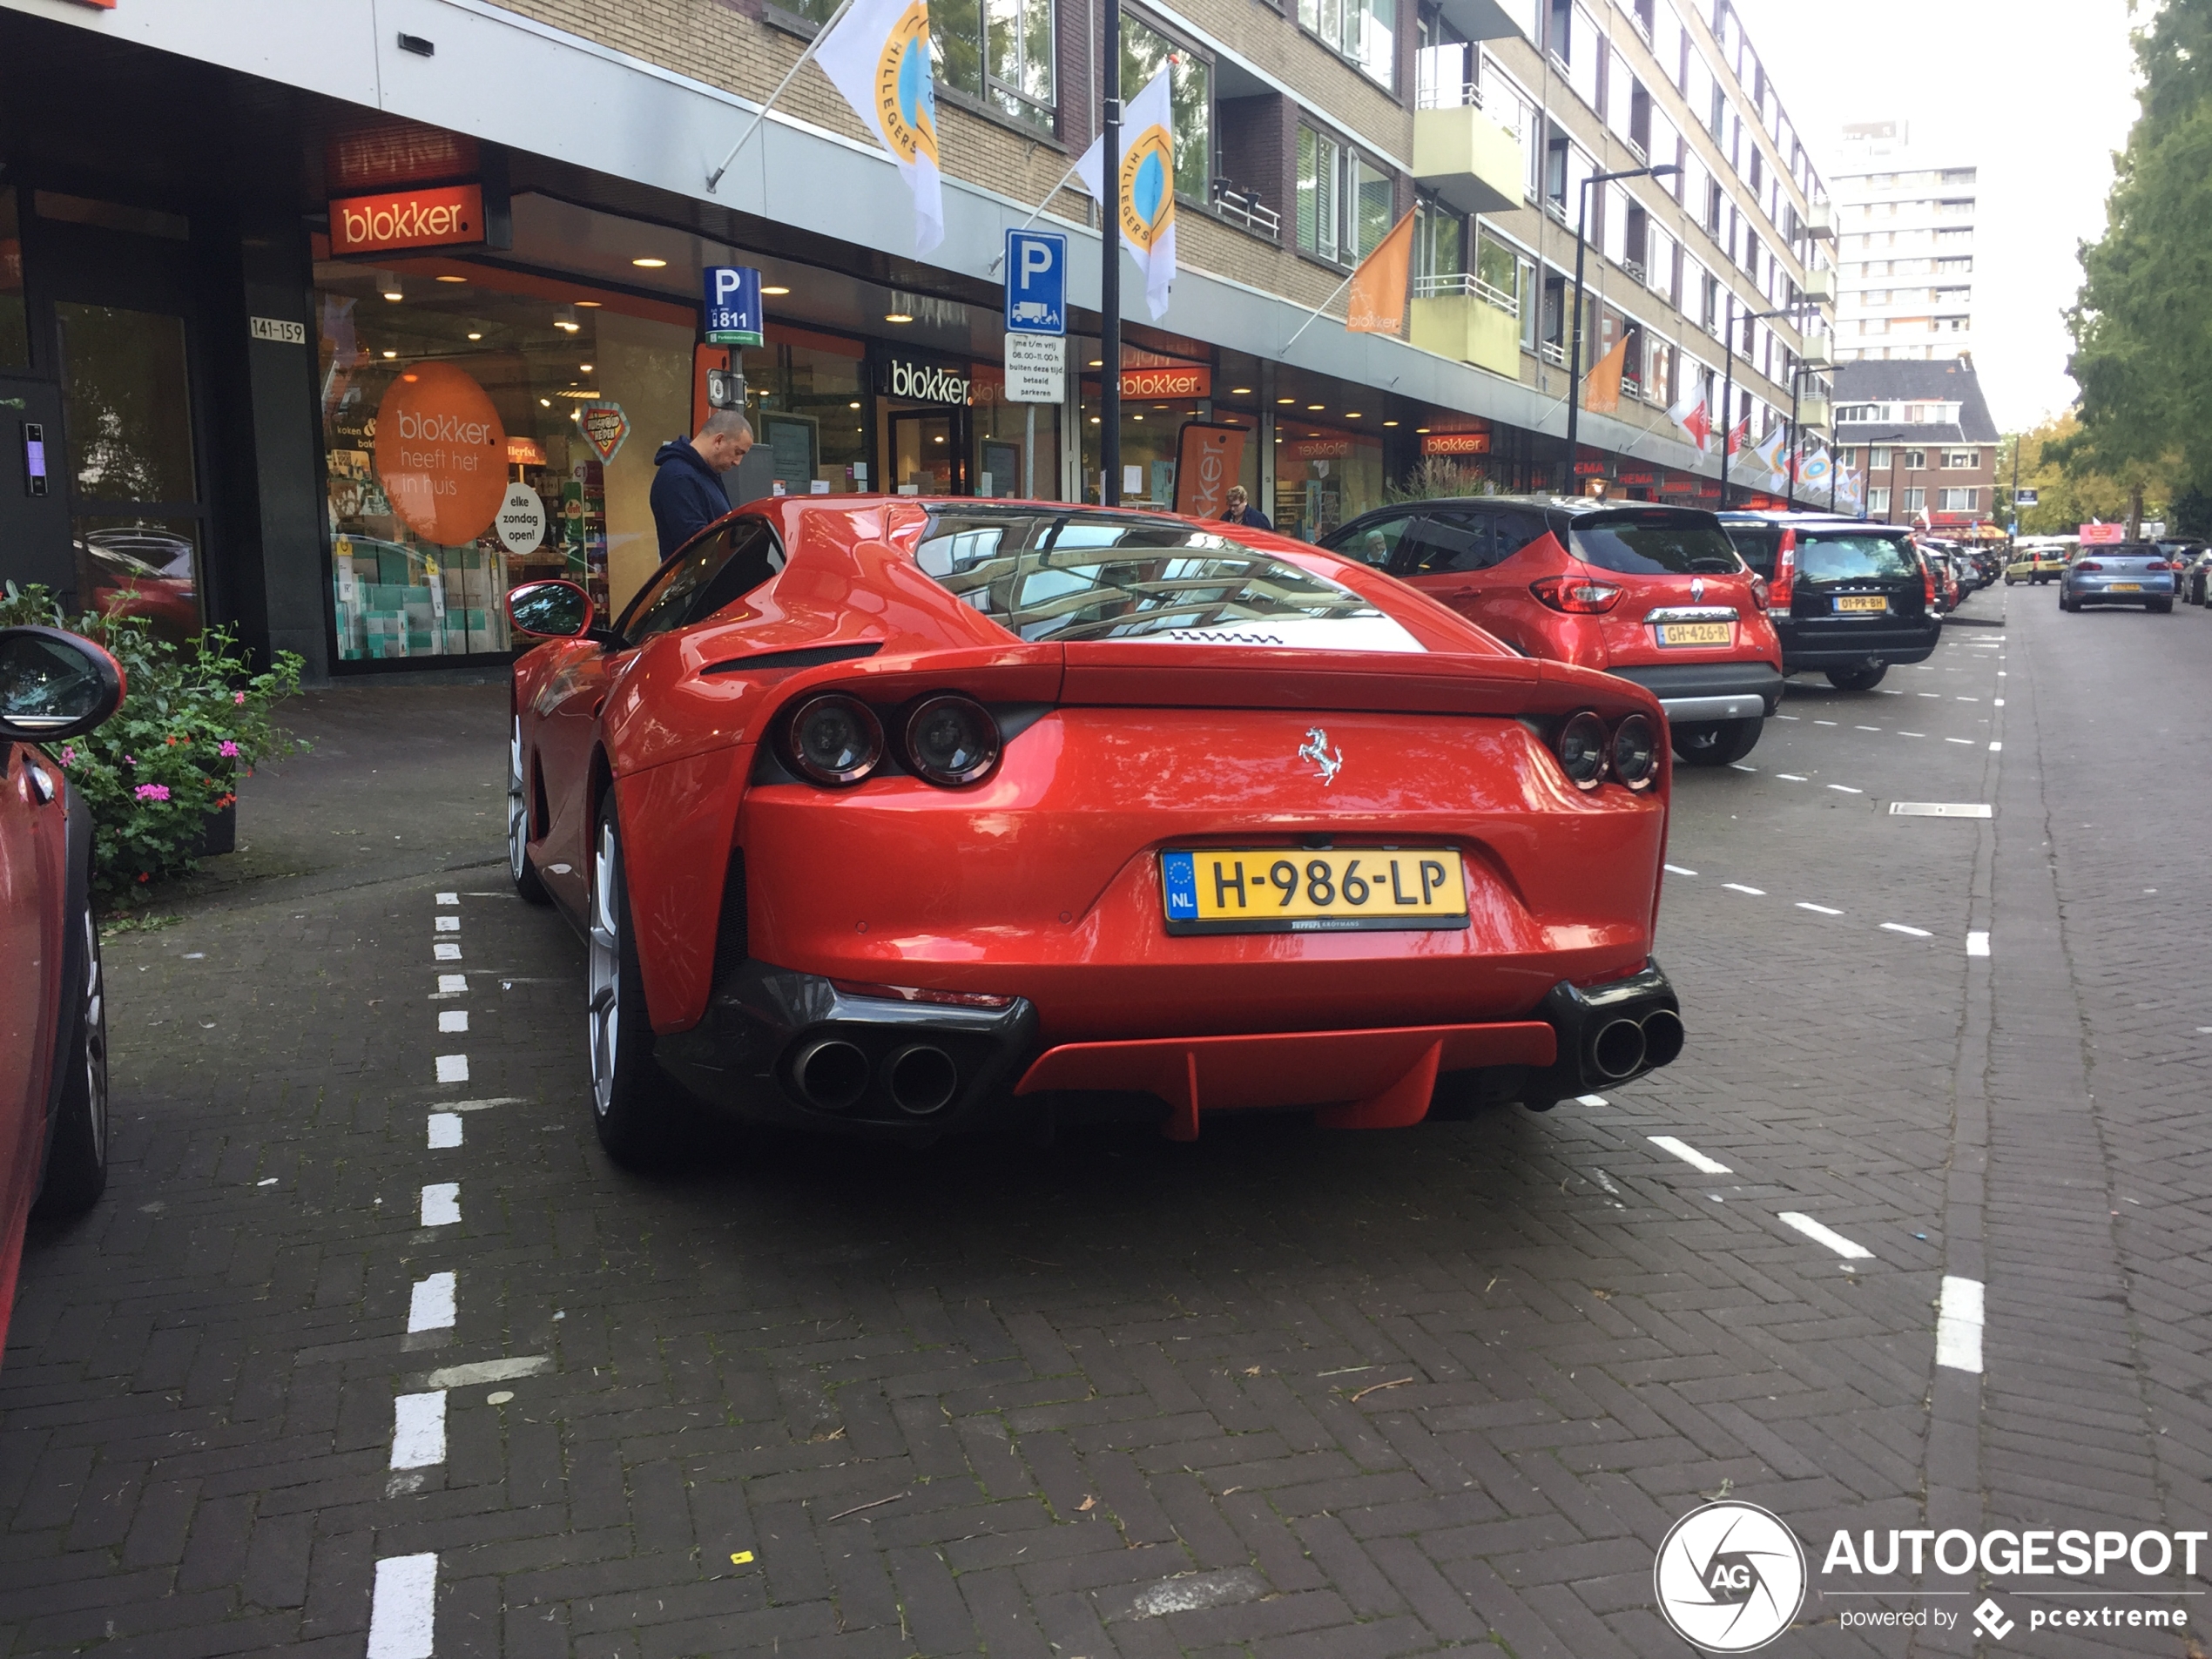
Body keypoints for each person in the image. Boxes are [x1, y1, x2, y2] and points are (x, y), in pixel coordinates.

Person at [650, 410, 754, 558]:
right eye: (737, 452)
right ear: (719, 440)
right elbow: (696, 547)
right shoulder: (679, 477)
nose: (737, 462)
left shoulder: (704, 474)